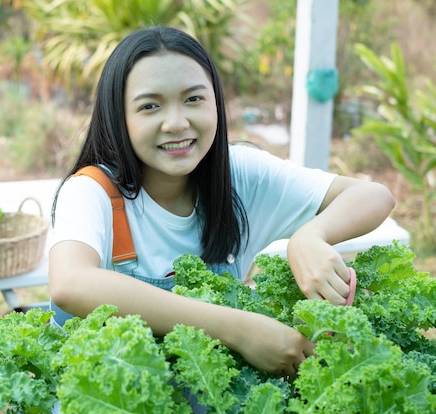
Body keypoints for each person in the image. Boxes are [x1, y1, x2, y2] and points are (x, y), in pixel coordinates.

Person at [47, 26, 395, 379]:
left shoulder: (238, 173)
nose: (177, 123)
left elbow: (373, 195)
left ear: (216, 102)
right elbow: (70, 283)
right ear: (118, 118)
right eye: (150, 106)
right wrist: (239, 330)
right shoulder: (92, 191)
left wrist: (310, 236)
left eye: (193, 99)